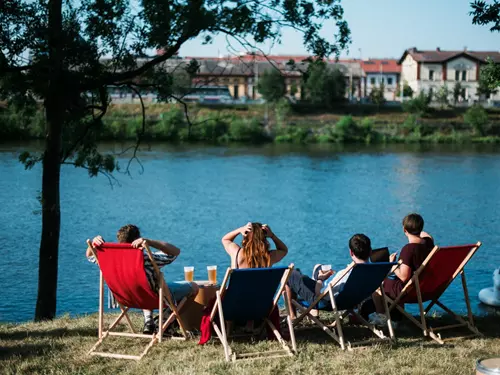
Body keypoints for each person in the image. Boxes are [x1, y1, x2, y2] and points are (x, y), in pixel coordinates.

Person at [86, 224, 199, 334]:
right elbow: (175, 252)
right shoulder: (146, 259)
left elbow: (89, 256)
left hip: (124, 298)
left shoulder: (109, 259)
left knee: (145, 285)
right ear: (137, 239)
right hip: (149, 297)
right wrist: (149, 242)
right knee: (193, 287)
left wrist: (93, 244)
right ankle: (165, 323)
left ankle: (149, 322)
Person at [285, 234, 372, 320]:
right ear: (370, 251)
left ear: (351, 252)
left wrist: (320, 279)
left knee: (290, 274)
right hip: (353, 301)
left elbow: (320, 293)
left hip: (325, 303)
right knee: (318, 268)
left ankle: (293, 317)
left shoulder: (345, 274)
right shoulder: (374, 271)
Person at [371, 213, 435, 324]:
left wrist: (393, 264)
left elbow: (404, 277)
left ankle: (382, 318)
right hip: (425, 288)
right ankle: (398, 317)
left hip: (410, 291)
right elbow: (427, 236)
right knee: (395, 282)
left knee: (377, 284)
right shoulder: (429, 244)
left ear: (404, 230)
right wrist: (420, 232)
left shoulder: (408, 250)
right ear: (420, 228)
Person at [222, 222, 288, 269]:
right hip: (262, 289)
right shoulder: (269, 257)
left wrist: (240, 229)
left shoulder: (237, 252)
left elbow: (225, 240)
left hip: (237, 289)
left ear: (245, 238)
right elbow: (284, 250)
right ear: (264, 239)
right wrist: (272, 235)